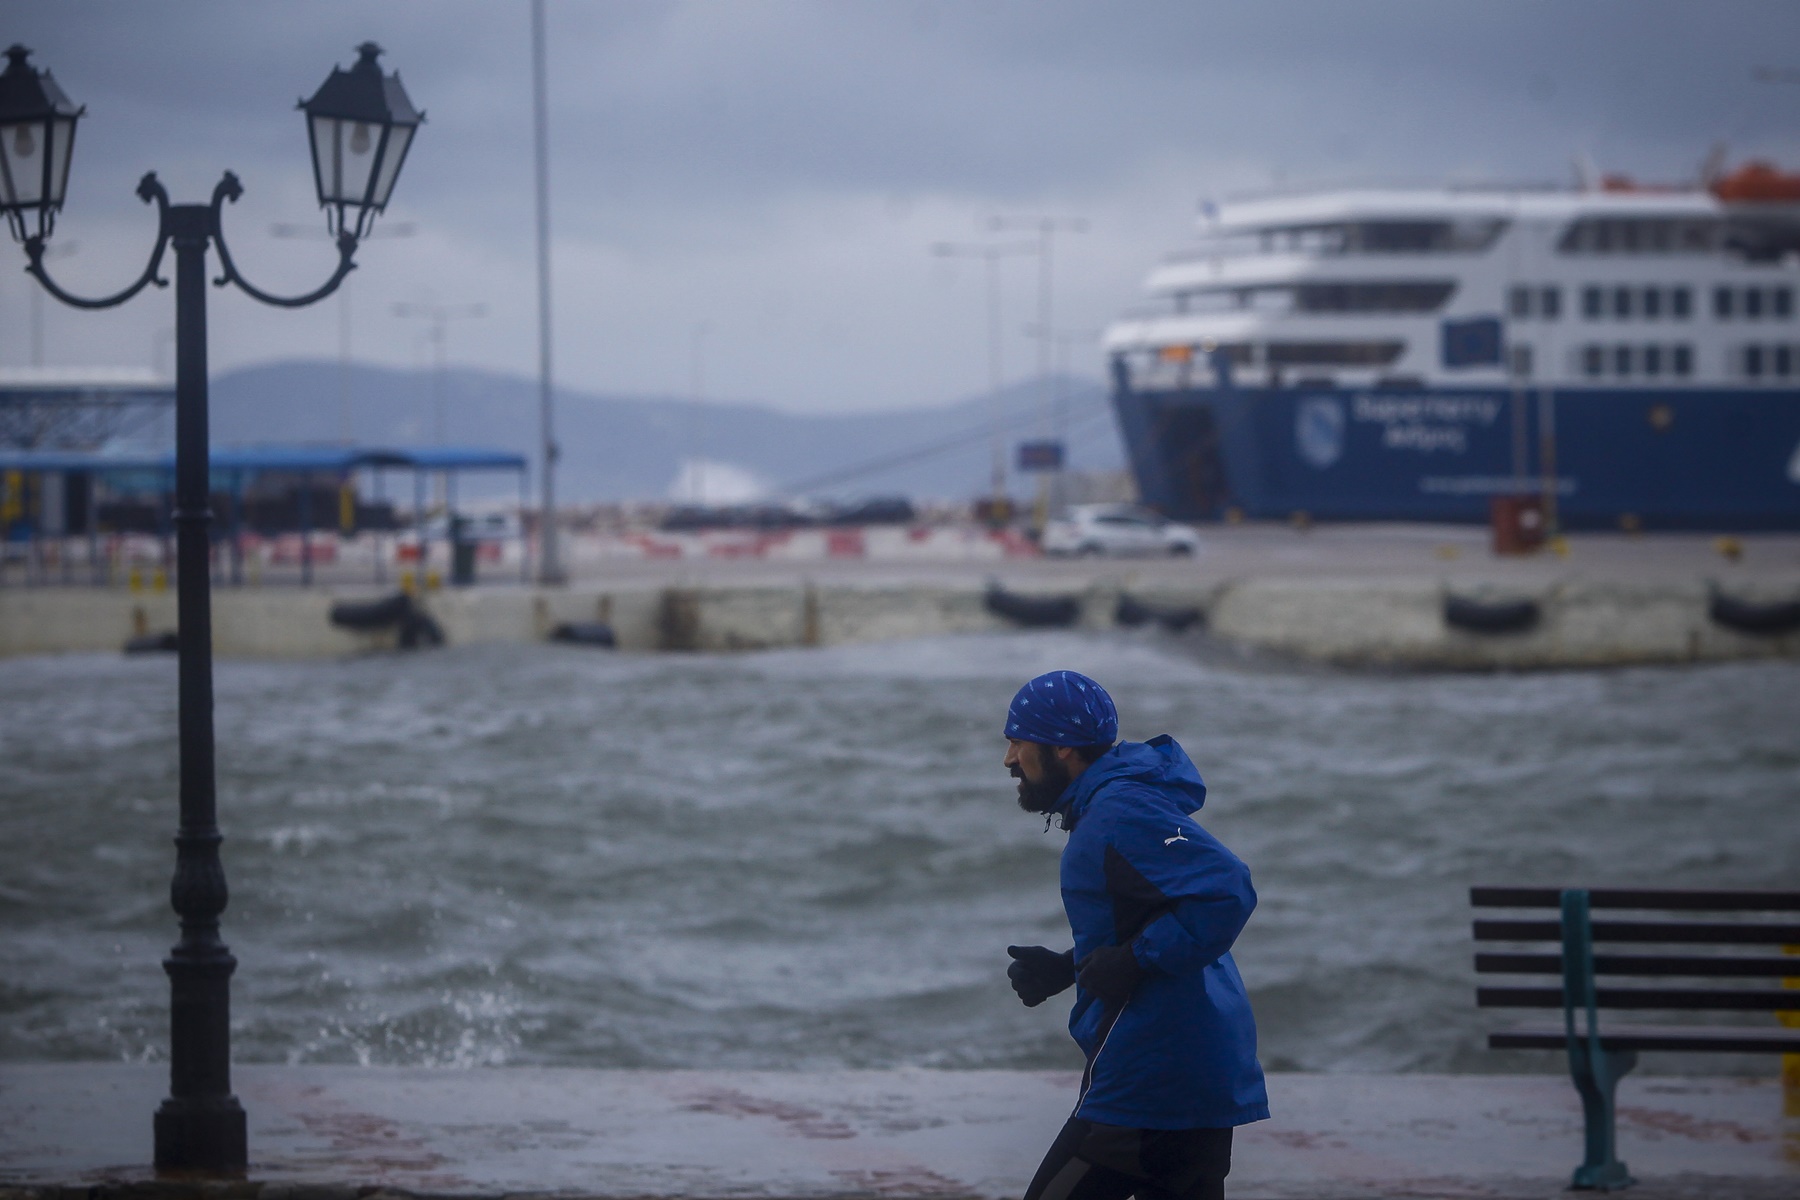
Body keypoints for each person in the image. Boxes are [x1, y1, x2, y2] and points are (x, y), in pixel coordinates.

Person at [1002, 670, 1267, 1200]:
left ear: (1062, 749)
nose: (1009, 759)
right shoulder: (1115, 806)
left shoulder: (1118, 812)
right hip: (1192, 1071)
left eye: (1018, 740)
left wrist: (1136, 960)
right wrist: (1071, 965)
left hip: (1155, 1080)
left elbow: (1227, 889)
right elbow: (1153, 917)